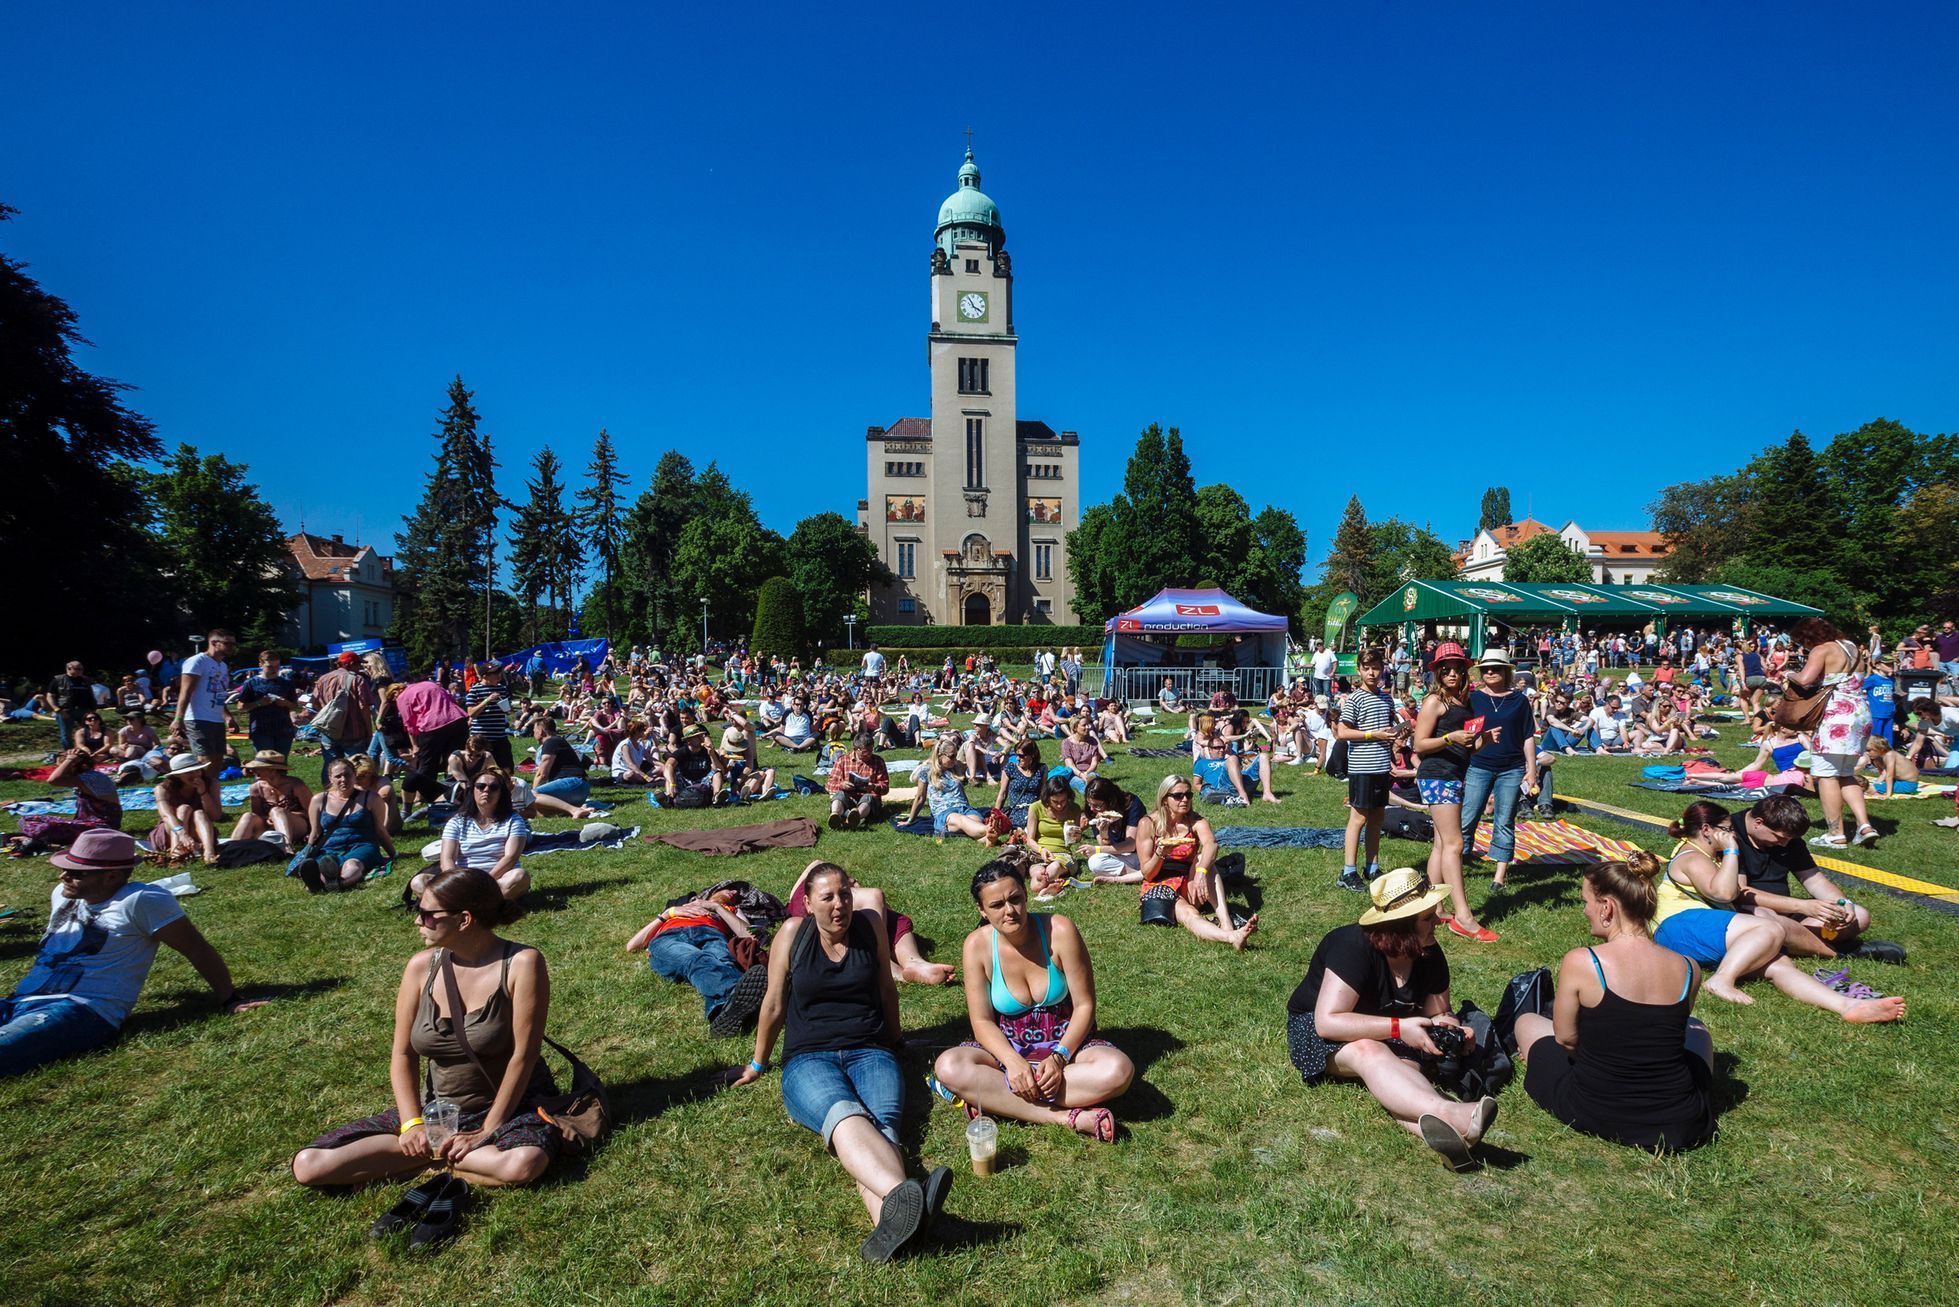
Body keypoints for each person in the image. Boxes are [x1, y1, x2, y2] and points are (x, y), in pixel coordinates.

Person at [290, 868, 563, 1241]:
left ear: (464, 920)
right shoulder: (421, 967)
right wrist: (411, 1124)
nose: (418, 920)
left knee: (522, 1164)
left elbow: (524, 1056)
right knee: (309, 1166)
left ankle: (424, 1162)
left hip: (510, 1106)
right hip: (440, 1114)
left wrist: (488, 1129)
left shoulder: (521, 963)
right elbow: (402, 1055)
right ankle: (443, 1159)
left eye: (427, 913)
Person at [731, 863, 953, 1263]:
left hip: (871, 1051)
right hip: (808, 1059)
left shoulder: (869, 927)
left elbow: (888, 989)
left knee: (882, 1130)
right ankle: (909, 1196)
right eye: (828, 897)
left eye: (845, 895)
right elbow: (775, 1002)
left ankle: (901, 1224)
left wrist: (898, 1040)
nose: (839, 905)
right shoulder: (792, 935)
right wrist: (757, 1063)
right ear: (808, 903)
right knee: (846, 1116)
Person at [2, 829, 264, 1077]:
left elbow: (196, 948)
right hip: (20, 1001)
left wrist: (229, 999)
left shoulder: (141, 900)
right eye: (65, 869)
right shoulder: (63, 894)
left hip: (81, 1009)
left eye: (75, 873)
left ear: (112, 877)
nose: (63, 877)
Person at [1284, 867, 1497, 1170]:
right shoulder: (1352, 947)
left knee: (1406, 1074)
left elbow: (1439, 1010)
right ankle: (1453, 1113)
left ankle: (1454, 1140)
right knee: (1369, 1050)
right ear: (1400, 926)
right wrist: (1398, 1027)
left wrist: (1451, 1028)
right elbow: (1328, 1021)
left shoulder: (1429, 952)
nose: (1440, 921)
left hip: (1398, 1031)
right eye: (1427, 918)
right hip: (1322, 1032)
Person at [1514, 858, 1717, 1152]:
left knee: (1527, 1023)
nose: (1584, 910)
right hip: (1679, 1120)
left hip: (1597, 1107)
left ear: (1606, 906)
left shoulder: (1583, 961)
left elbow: (1566, 1039)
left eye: (1586, 901)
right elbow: (1674, 1031)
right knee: (1698, 1031)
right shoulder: (1689, 968)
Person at [931, 862, 1133, 1142]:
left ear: (1026, 895)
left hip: (1068, 1046)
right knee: (948, 1066)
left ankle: (999, 1100)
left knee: (1118, 1070)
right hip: (1009, 1049)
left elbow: (1085, 1006)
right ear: (982, 910)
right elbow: (981, 1021)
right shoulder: (977, 946)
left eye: (1015, 899)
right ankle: (1067, 1118)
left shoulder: (1059, 930)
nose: (1010, 911)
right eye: (997, 905)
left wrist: (1060, 1056)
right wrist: (1013, 1063)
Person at [1658, 804, 1903, 1019]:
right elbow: (1724, 894)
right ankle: (1722, 980)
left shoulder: (1708, 856)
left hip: (1706, 930)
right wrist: (1732, 850)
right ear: (1707, 831)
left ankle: (1847, 1006)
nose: (1732, 834)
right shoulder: (1692, 856)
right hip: (1679, 926)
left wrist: (1840, 904)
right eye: (1727, 829)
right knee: (1769, 928)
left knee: (1780, 965)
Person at [1730, 794, 1904, 964]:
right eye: (1780, 838)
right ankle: (1834, 951)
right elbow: (1740, 893)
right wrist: (1803, 906)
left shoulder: (1788, 840)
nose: (1783, 844)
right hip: (1750, 913)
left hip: (1787, 913)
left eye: (1789, 840)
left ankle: (1795, 942)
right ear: (1758, 823)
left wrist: (1842, 903)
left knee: (1860, 915)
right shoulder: (1731, 836)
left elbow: (1815, 880)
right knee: (1767, 919)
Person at [1411, 643, 1494, 941]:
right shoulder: (1434, 702)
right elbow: (1419, 744)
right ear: (1437, 672)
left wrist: (1483, 739)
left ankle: (1431, 910)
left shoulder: (1463, 703)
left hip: (1453, 774)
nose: (1452, 674)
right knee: (1455, 844)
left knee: (1440, 845)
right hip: (1437, 776)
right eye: (1445, 669)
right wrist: (1450, 736)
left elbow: (1467, 749)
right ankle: (1464, 917)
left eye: (1457, 669)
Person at [1130, 774, 1256, 949]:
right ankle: (1231, 937)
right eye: (1178, 796)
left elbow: (1211, 845)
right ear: (1164, 799)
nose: (1184, 800)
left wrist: (1201, 872)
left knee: (1204, 860)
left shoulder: (1196, 821)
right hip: (1160, 884)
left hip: (1191, 882)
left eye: (1188, 795)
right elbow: (1148, 874)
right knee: (1190, 914)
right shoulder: (1148, 823)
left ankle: (1226, 922)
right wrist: (1160, 853)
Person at [627, 882, 770, 1036]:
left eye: (737, 895)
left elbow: (750, 937)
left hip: (713, 935)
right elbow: (632, 945)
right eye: (729, 889)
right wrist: (667, 914)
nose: (734, 892)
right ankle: (739, 992)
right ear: (711, 892)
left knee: (724, 962)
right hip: (671, 936)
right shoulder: (682, 908)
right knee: (695, 959)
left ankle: (721, 1011)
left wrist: (717, 908)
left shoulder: (732, 910)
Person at [1782, 617, 1876, 848]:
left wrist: (1788, 674)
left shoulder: (1822, 650)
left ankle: (1835, 834)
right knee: (1845, 773)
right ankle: (1864, 825)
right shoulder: (1851, 646)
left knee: (1826, 776)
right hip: (1860, 715)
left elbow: (1805, 680)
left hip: (1836, 719)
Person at [1461, 649, 1537, 896]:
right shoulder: (1473, 698)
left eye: (1495, 668)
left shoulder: (1519, 700)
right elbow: (1466, 734)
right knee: (1468, 817)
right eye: (1486, 669)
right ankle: (1458, 865)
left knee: (1504, 820)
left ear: (1506, 671)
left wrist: (1532, 769)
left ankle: (1499, 876)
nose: (1490, 672)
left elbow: (1528, 736)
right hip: (1479, 764)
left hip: (1512, 768)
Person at [409, 770, 531, 906]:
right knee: (419, 881)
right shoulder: (457, 821)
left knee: (520, 876)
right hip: (462, 881)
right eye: (480, 786)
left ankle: (457, 906)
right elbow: (447, 860)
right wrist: (460, 883)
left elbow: (510, 858)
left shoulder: (513, 820)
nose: (486, 791)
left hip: (496, 882)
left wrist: (485, 882)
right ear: (472, 790)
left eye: (494, 787)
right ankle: (482, 906)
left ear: (501, 793)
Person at [1336, 649, 1400, 892]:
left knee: (1377, 817)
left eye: (1376, 667)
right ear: (1360, 671)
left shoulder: (1386, 699)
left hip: (1382, 765)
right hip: (1363, 767)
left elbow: (1387, 729)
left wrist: (1397, 735)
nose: (1372, 672)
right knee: (1359, 818)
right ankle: (1348, 871)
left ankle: (1371, 866)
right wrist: (1374, 734)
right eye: (1367, 668)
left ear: (1382, 668)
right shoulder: (1355, 699)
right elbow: (1343, 732)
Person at [301, 757, 395, 893]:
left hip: (362, 844)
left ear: (354, 775)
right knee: (325, 864)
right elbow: (315, 832)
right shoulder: (319, 800)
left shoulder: (371, 798)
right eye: (338, 776)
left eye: (347, 775)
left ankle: (340, 883)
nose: (343, 779)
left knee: (352, 864)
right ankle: (318, 882)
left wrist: (392, 854)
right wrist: (306, 857)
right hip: (330, 847)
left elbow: (380, 830)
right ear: (330, 778)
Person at [171, 629, 235, 775]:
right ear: (214, 643)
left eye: (233, 644)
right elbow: (185, 692)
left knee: (218, 761)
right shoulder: (197, 662)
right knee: (204, 761)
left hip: (216, 718)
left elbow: (218, 693)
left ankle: (212, 792)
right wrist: (178, 718)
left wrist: (227, 716)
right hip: (198, 718)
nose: (232, 647)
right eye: (227, 643)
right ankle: (200, 794)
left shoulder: (223, 666)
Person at [150, 751, 222, 864]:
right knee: (184, 808)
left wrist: (203, 793)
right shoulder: (162, 788)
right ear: (177, 775)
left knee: (199, 813)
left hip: (199, 828)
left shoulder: (211, 784)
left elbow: (215, 816)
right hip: (172, 829)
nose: (195, 775)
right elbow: (166, 815)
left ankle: (209, 851)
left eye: (197, 770)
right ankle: (176, 850)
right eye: (188, 772)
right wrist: (182, 833)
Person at [311, 650, 379, 765]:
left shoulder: (323, 679)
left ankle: (330, 783)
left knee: (330, 767)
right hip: (353, 731)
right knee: (356, 766)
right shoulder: (357, 680)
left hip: (330, 730)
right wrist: (368, 730)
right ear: (351, 664)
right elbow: (364, 708)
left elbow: (314, 703)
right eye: (358, 664)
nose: (360, 667)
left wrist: (330, 715)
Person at [233, 751, 313, 848]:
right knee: (248, 816)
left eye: (258, 768)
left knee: (277, 811)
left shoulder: (295, 785)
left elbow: (312, 812)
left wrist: (281, 815)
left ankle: (286, 847)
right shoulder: (255, 788)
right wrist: (268, 818)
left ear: (272, 770)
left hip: (297, 826)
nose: (253, 771)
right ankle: (231, 848)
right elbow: (258, 815)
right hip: (269, 826)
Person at [919, 736, 990, 841]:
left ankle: (988, 839)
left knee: (975, 821)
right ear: (940, 756)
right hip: (945, 812)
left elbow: (962, 793)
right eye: (951, 756)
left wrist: (968, 807)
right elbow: (920, 797)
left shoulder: (955, 769)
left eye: (956, 756)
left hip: (963, 808)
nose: (955, 760)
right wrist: (910, 819)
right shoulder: (926, 772)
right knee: (963, 821)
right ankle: (990, 830)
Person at [1024, 775, 1083, 899]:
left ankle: (1046, 887)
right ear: (1047, 798)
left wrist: (1077, 835)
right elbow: (1029, 840)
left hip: (1063, 855)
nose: (1060, 806)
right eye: (1055, 802)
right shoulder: (1036, 807)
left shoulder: (1074, 809)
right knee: (1038, 873)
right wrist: (1041, 850)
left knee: (1054, 867)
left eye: (1063, 801)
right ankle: (1048, 887)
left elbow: (1074, 840)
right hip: (1039, 854)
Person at [1079, 776, 1146, 880]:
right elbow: (1105, 846)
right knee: (1094, 861)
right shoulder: (1093, 812)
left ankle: (1138, 875)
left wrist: (1096, 849)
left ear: (1110, 801)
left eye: (1097, 805)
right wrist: (1104, 833)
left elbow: (1131, 845)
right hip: (1119, 854)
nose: (1092, 809)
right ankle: (1136, 874)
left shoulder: (1131, 804)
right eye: (1089, 803)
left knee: (1097, 857)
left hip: (1140, 853)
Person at [235, 650, 300, 756]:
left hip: (284, 729)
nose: (274, 669)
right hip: (261, 730)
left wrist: (285, 703)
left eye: (277, 666)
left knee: (281, 764)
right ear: (260, 665)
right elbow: (240, 707)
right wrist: (259, 703)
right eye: (270, 667)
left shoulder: (286, 683)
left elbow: (295, 705)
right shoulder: (251, 683)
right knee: (265, 763)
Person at [826, 732, 890, 831]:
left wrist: (874, 787)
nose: (869, 754)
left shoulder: (878, 761)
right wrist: (842, 784)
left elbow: (885, 787)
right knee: (839, 795)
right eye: (865, 752)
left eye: (871, 750)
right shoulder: (842, 760)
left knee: (868, 797)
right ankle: (835, 815)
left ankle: (856, 817)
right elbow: (829, 784)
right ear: (855, 749)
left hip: (868, 801)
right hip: (848, 798)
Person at [463, 661, 515, 772]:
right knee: (480, 770)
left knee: (506, 769)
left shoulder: (502, 689)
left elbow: (509, 710)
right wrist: (487, 700)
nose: (499, 676)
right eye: (495, 674)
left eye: (499, 673)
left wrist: (508, 709)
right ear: (485, 676)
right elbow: (471, 713)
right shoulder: (475, 690)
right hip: (480, 738)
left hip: (500, 736)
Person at [530, 717, 591, 808]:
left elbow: (542, 774)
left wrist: (534, 792)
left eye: (534, 730)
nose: (533, 733)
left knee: (530, 797)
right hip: (581, 789)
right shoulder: (558, 741)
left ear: (541, 731)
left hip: (573, 783)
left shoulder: (550, 742)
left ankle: (574, 810)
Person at [992, 739, 1047, 830]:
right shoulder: (1010, 768)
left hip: (1034, 808)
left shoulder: (1041, 769)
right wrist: (995, 814)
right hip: (1016, 810)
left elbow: (1043, 793)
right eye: (1017, 755)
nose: (1017, 758)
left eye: (1021, 756)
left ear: (1032, 755)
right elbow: (1003, 793)